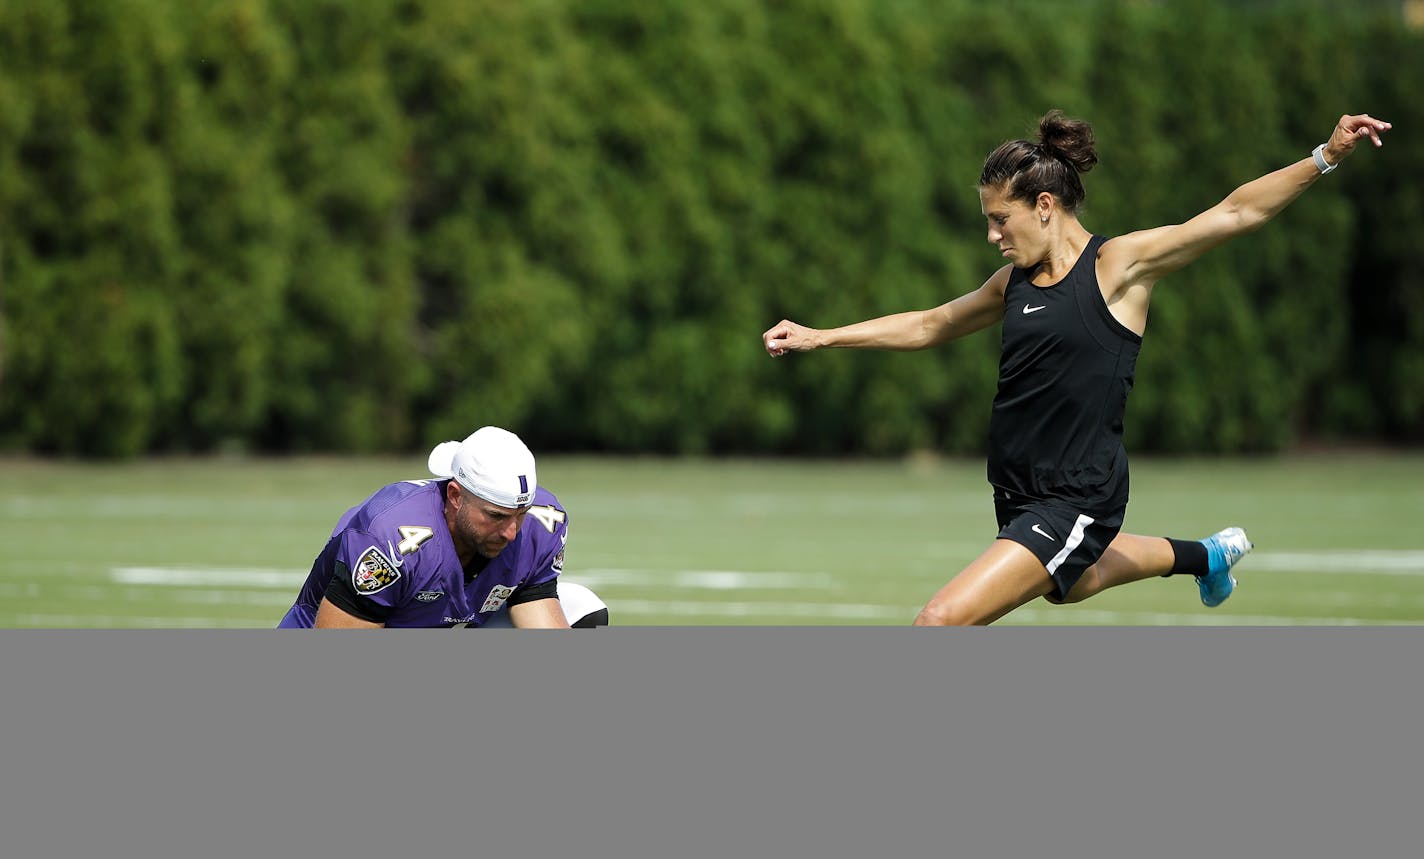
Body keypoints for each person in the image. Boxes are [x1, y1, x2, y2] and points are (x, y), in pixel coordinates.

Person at [762, 111, 1391, 626]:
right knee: (1074, 581)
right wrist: (821, 336)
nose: (992, 236)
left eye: (998, 220)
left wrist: (1324, 155)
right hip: (1017, 493)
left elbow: (1233, 213)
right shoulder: (1012, 282)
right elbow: (930, 324)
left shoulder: (1116, 267)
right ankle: (1206, 556)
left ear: (1042, 206)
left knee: (940, 623)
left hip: (1075, 495)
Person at [279, 426, 609, 628]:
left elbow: (540, 618)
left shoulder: (540, 525)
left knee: (581, 607)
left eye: (519, 514)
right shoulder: (390, 538)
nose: (511, 531)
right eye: (495, 516)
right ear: (455, 495)